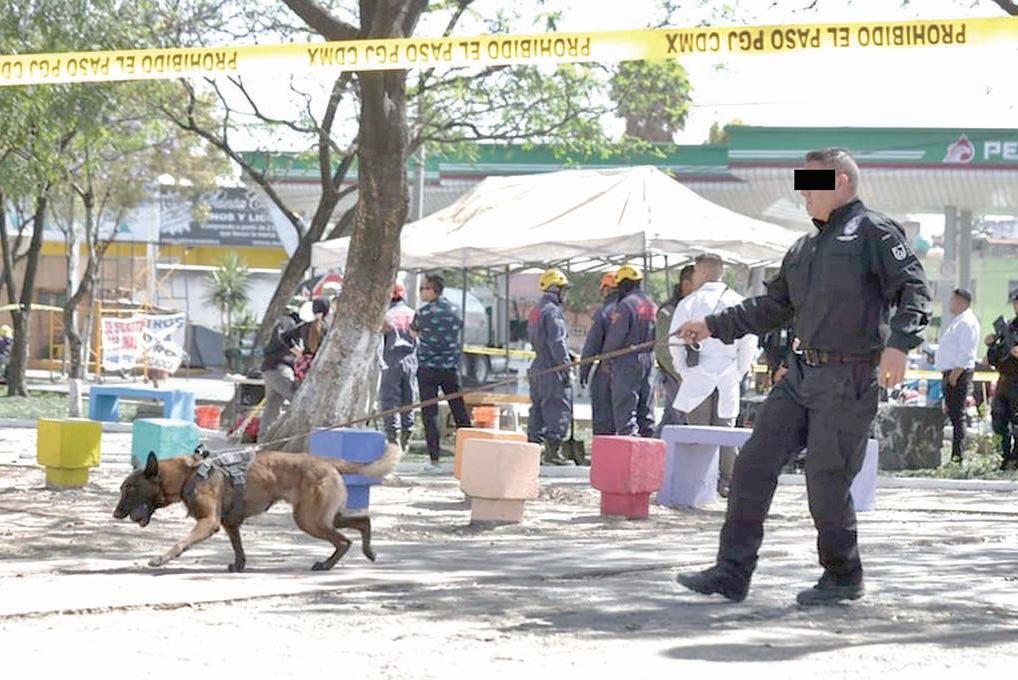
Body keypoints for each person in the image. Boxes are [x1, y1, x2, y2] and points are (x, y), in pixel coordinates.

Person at [674, 147, 932, 605]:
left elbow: (914, 287)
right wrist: (713, 325)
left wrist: (899, 343)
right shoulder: (804, 247)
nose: (803, 194)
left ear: (841, 182)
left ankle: (843, 575)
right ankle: (732, 572)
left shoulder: (873, 231)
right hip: (799, 375)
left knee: (826, 478)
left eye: (811, 183)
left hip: (850, 376)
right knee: (753, 465)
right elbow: (773, 307)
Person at [669, 253, 758, 497]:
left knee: (698, 433)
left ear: (702, 272)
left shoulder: (690, 303)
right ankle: (728, 484)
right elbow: (749, 343)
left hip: (698, 375)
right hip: (728, 374)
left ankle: (698, 484)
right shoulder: (738, 302)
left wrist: (684, 371)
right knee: (726, 434)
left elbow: (675, 343)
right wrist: (738, 372)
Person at [411, 273, 471, 473]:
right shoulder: (455, 310)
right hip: (450, 368)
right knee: (459, 412)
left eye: (423, 288)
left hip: (428, 368)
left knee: (430, 414)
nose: (421, 292)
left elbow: (414, 331)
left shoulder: (423, 313)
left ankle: (434, 460)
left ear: (433, 290)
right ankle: (470, 455)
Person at [602, 264, 657, 437]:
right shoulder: (651, 305)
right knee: (646, 408)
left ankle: (629, 441)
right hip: (649, 358)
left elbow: (616, 336)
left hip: (627, 360)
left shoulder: (625, 305)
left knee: (625, 408)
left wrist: (606, 358)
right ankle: (648, 442)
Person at [527, 268, 575, 465]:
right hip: (552, 368)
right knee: (557, 407)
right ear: (556, 289)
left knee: (537, 409)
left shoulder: (536, 310)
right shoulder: (553, 312)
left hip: (538, 366)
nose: (566, 294)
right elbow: (557, 342)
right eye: (564, 289)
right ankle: (553, 452)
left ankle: (532, 451)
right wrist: (566, 366)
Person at [934, 288, 980, 463]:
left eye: (953, 300)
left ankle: (957, 457)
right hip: (952, 373)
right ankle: (955, 454)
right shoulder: (959, 321)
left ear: (961, 301)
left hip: (957, 374)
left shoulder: (966, 322)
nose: (950, 303)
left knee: (957, 416)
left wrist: (954, 375)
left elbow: (966, 352)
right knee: (953, 415)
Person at [654, 266, 696, 437]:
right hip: (675, 375)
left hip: (687, 375)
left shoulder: (693, 308)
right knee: (682, 421)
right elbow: (664, 348)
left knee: (670, 421)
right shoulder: (669, 311)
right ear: (686, 285)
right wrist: (680, 375)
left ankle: (655, 450)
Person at [258, 298, 307, 442]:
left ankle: (264, 440)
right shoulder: (289, 322)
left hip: (269, 369)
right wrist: (300, 354)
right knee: (298, 400)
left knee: (272, 405)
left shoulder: (280, 321)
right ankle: (296, 437)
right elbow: (285, 340)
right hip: (280, 368)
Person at [580, 272, 619, 436]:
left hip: (606, 370)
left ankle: (604, 449)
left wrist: (584, 370)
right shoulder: (635, 308)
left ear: (606, 290)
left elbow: (592, 344)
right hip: (633, 370)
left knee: (603, 418)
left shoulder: (605, 312)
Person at [380, 282, 417, 451]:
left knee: (390, 399)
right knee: (408, 398)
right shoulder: (412, 314)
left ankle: (393, 438)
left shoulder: (386, 315)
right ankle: (407, 435)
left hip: (390, 359)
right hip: (411, 359)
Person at [986, 288, 1018, 470]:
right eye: (1015, 302)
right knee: (998, 421)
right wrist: (992, 345)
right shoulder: (1009, 327)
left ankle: (1016, 459)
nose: (1016, 305)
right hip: (1005, 382)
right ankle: (1005, 458)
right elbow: (994, 358)